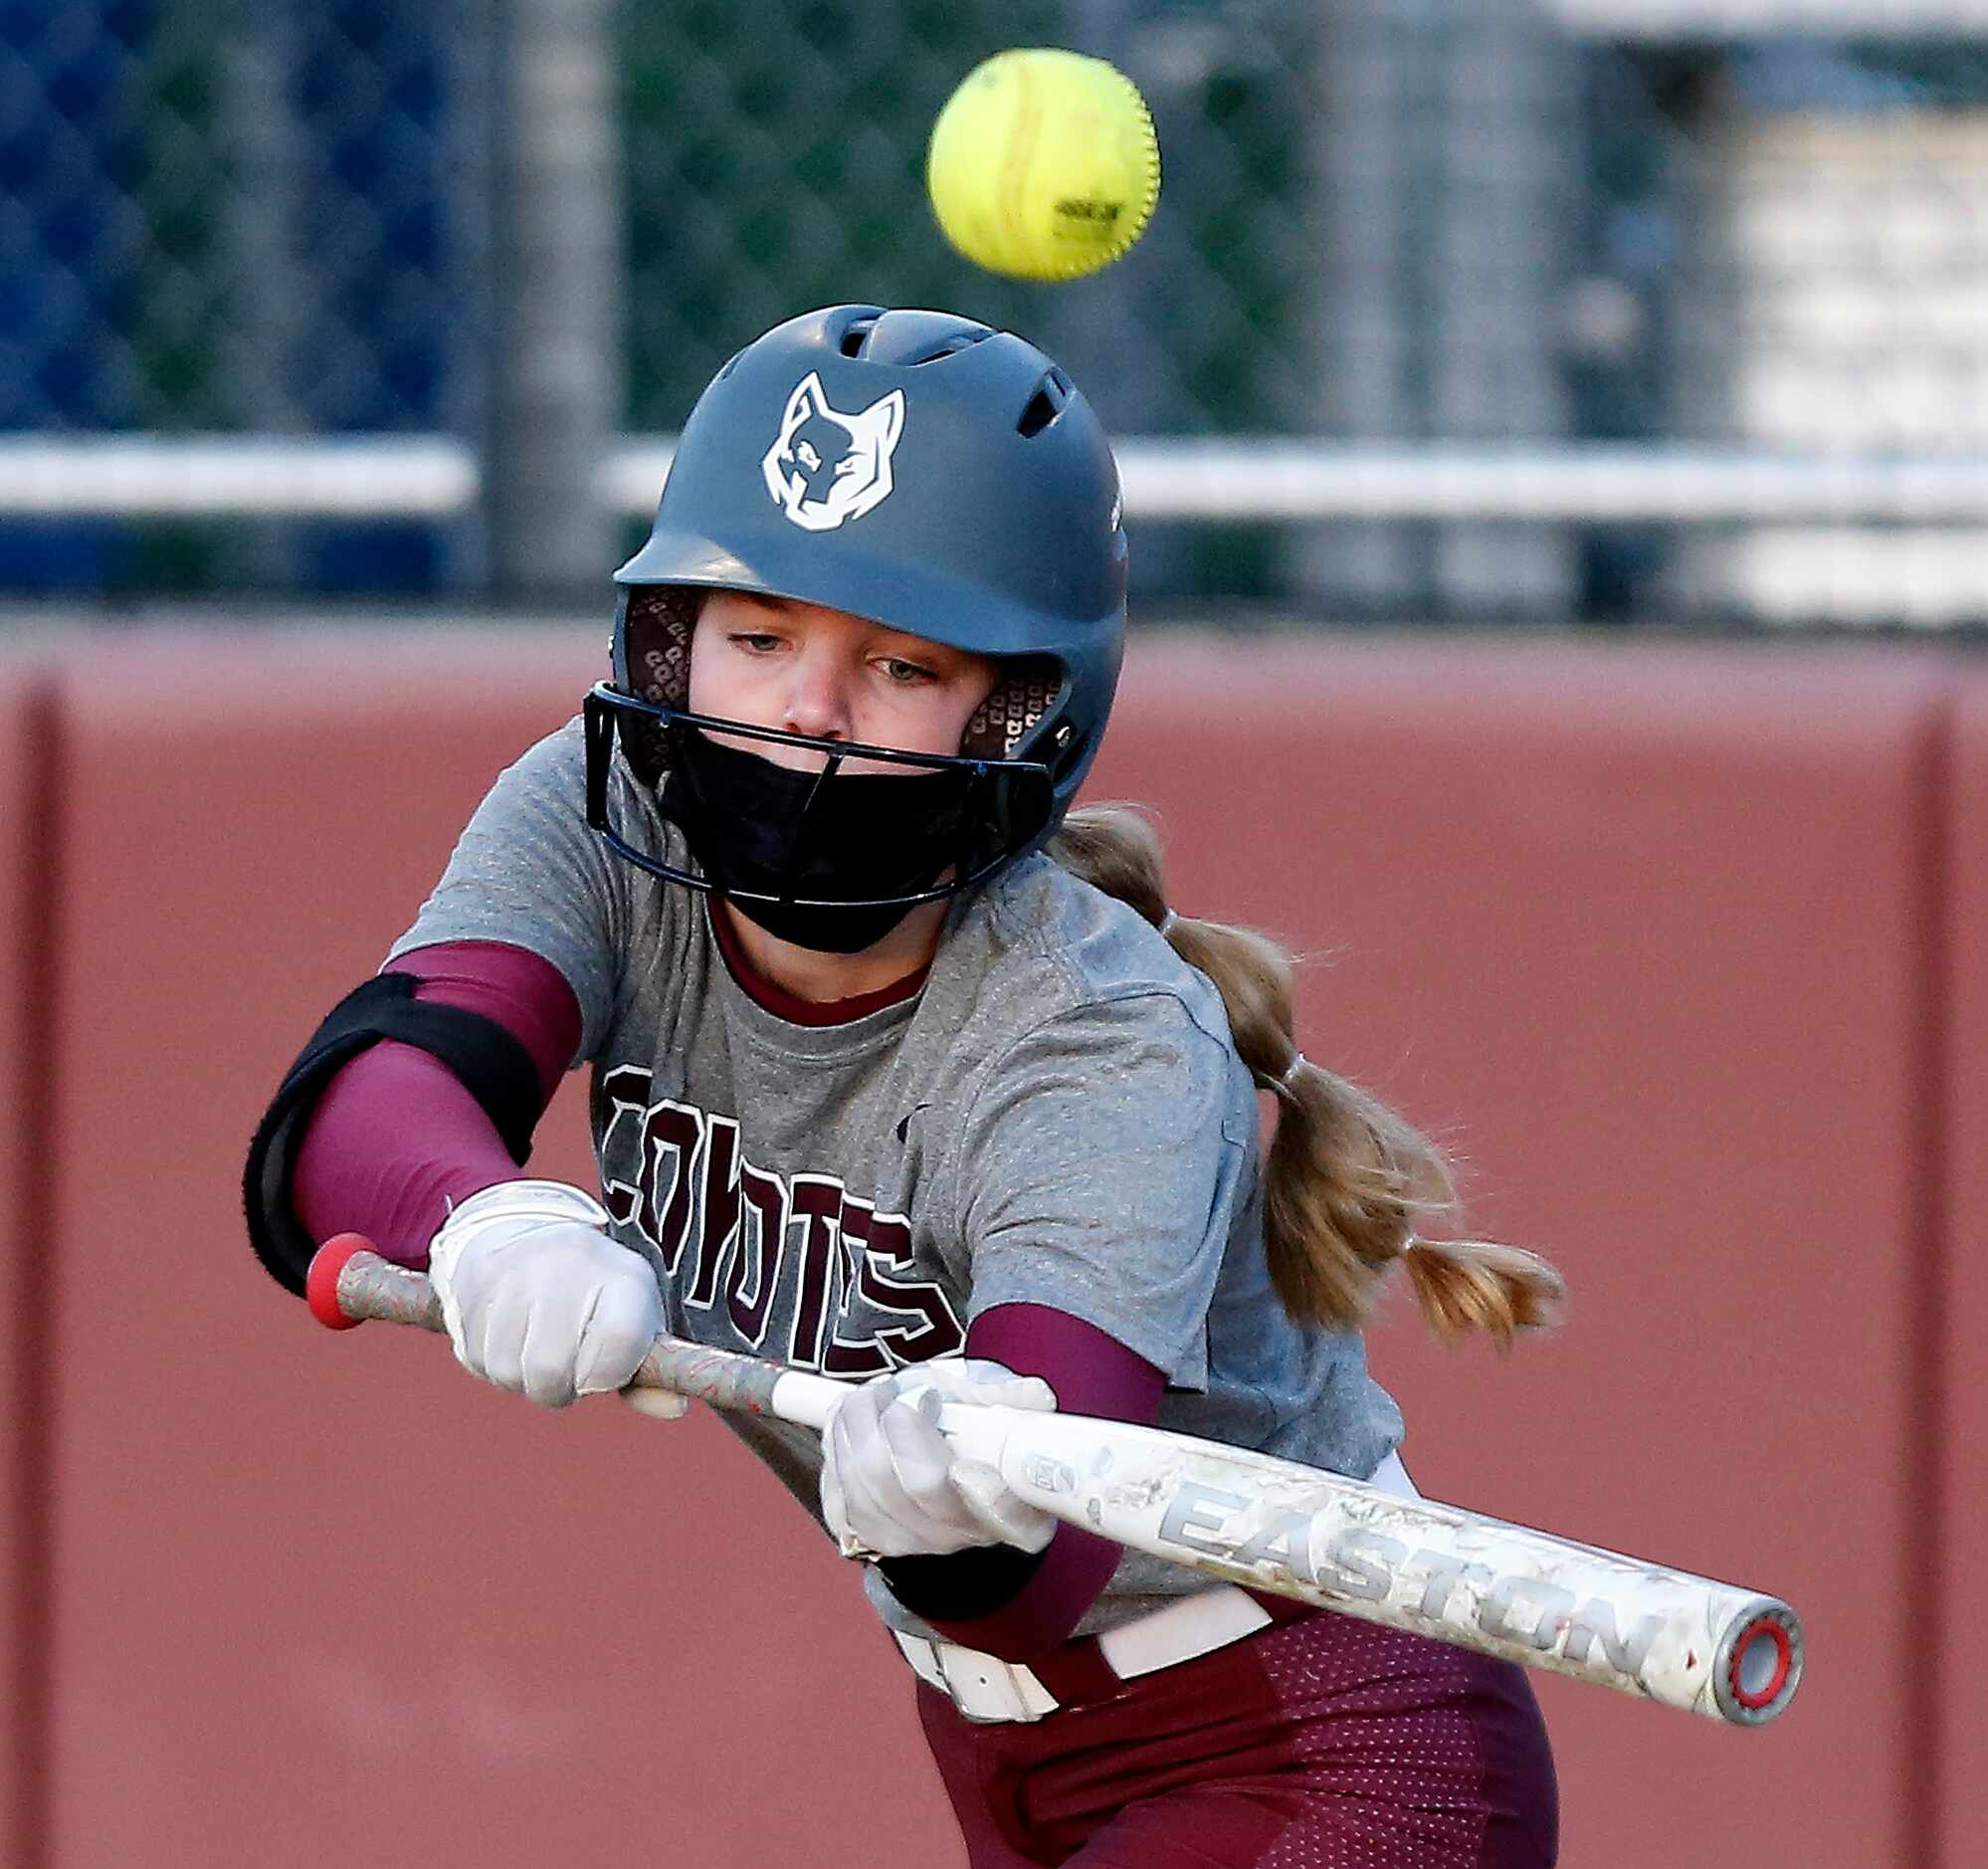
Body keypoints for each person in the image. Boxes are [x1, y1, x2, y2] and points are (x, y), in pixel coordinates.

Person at [245, 304, 1565, 1868]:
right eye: (755, 637)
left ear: (1020, 713)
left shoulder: (1094, 1034)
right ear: (663, 640)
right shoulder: (591, 824)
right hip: (994, 1739)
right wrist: (482, 1221)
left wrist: (967, 1483)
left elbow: (1039, 1558)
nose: (803, 711)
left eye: (896, 663)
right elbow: (353, 1106)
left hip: (1312, 1733)